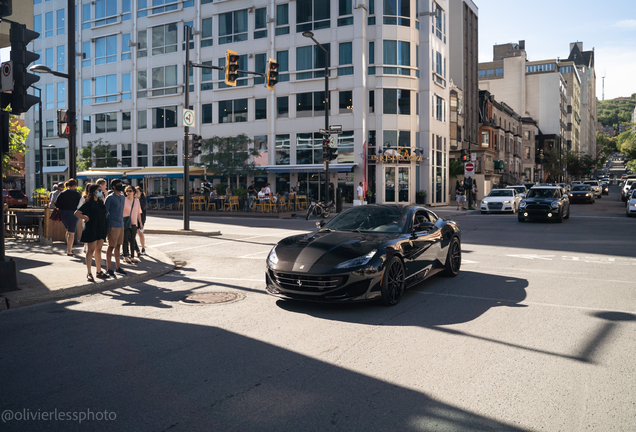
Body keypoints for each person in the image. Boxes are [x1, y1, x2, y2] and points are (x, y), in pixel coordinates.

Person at [74, 184, 108, 282]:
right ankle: (89, 272)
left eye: (101, 190)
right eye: (99, 190)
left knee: (99, 250)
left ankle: (99, 271)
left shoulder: (101, 202)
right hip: (92, 228)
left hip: (101, 228)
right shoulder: (88, 203)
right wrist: (85, 217)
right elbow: (77, 213)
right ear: (93, 192)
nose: (101, 192)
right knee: (90, 251)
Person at [104, 179, 127, 277]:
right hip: (112, 225)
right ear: (113, 187)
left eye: (121, 184)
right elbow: (105, 212)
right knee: (111, 246)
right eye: (118, 185)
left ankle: (118, 267)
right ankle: (109, 268)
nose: (121, 186)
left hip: (121, 225)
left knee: (118, 246)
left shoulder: (122, 197)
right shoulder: (110, 198)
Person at [55, 179, 82, 256]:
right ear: (74, 186)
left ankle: (68, 248)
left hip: (63, 213)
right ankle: (69, 250)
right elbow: (80, 205)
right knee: (72, 232)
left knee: (67, 230)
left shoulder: (62, 193)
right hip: (73, 213)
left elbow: (57, 204)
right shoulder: (77, 194)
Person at [122, 185, 143, 264]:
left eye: (130, 191)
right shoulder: (123, 200)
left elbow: (138, 213)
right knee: (125, 240)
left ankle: (132, 257)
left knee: (132, 240)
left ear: (134, 192)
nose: (128, 192)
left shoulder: (136, 201)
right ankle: (125, 257)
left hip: (134, 222)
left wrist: (140, 223)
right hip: (125, 222)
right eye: (127, 191)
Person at [135, 186, 147, 255]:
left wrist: (138, 200)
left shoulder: (143, 199)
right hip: (133, 218)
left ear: (141, 192)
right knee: (131, 234)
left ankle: (143, 248)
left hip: (141, 219)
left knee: (140, 233)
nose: (136, 193)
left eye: (137, 191)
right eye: (135, 191)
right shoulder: (133, 199)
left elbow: (143, 207)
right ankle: (127, 249)